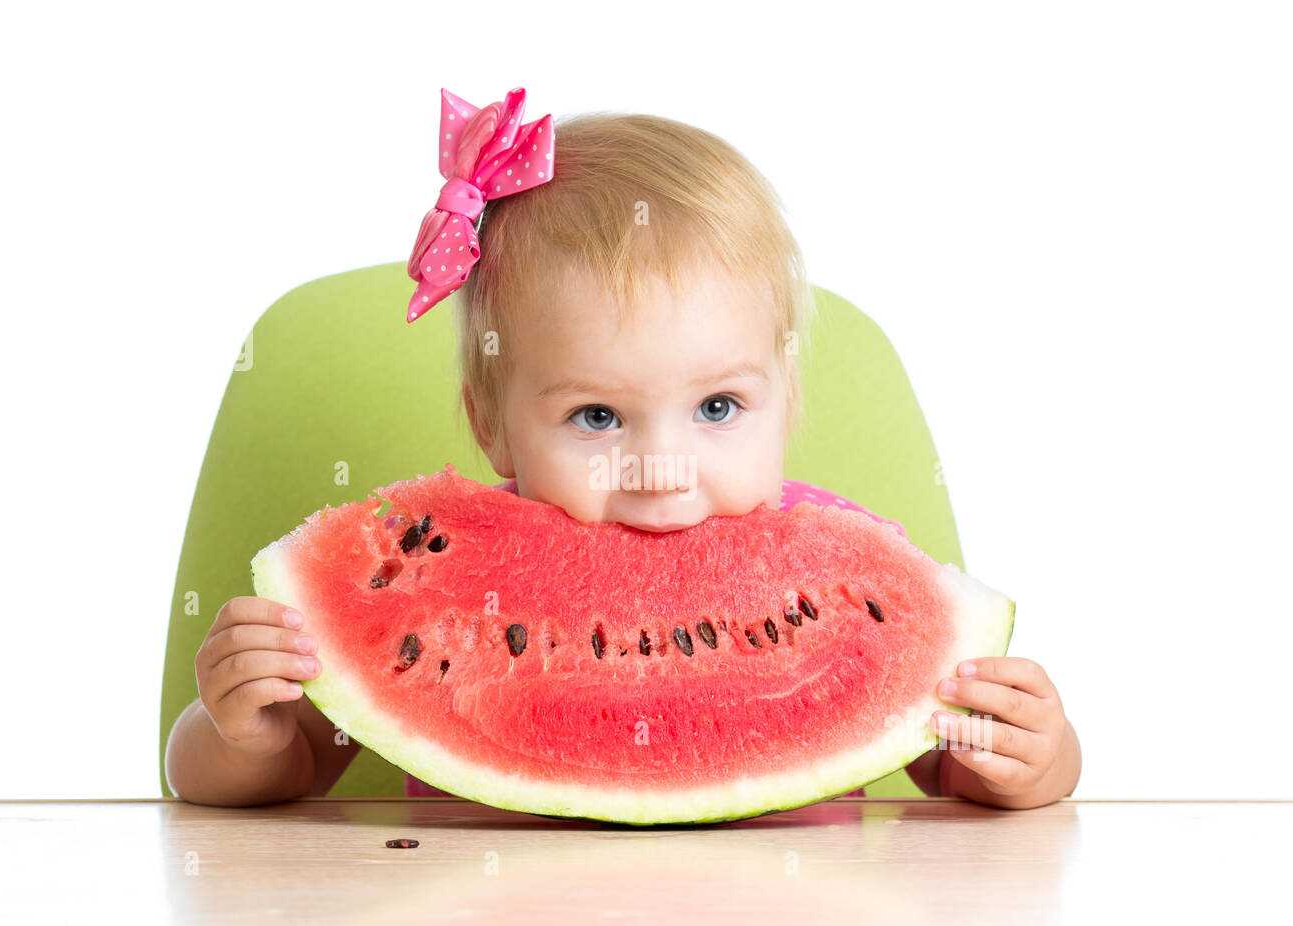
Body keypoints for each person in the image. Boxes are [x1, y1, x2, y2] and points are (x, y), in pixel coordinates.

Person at [168, 88, 1080, 810]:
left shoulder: (842, 562)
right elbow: (257, 777)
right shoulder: (430, 587)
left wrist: (1024, 759)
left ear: (788, 396)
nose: (663, 470)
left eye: (718, 405)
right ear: (492, 422)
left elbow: (952, 764)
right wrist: (245, 735)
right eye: (598, 417)